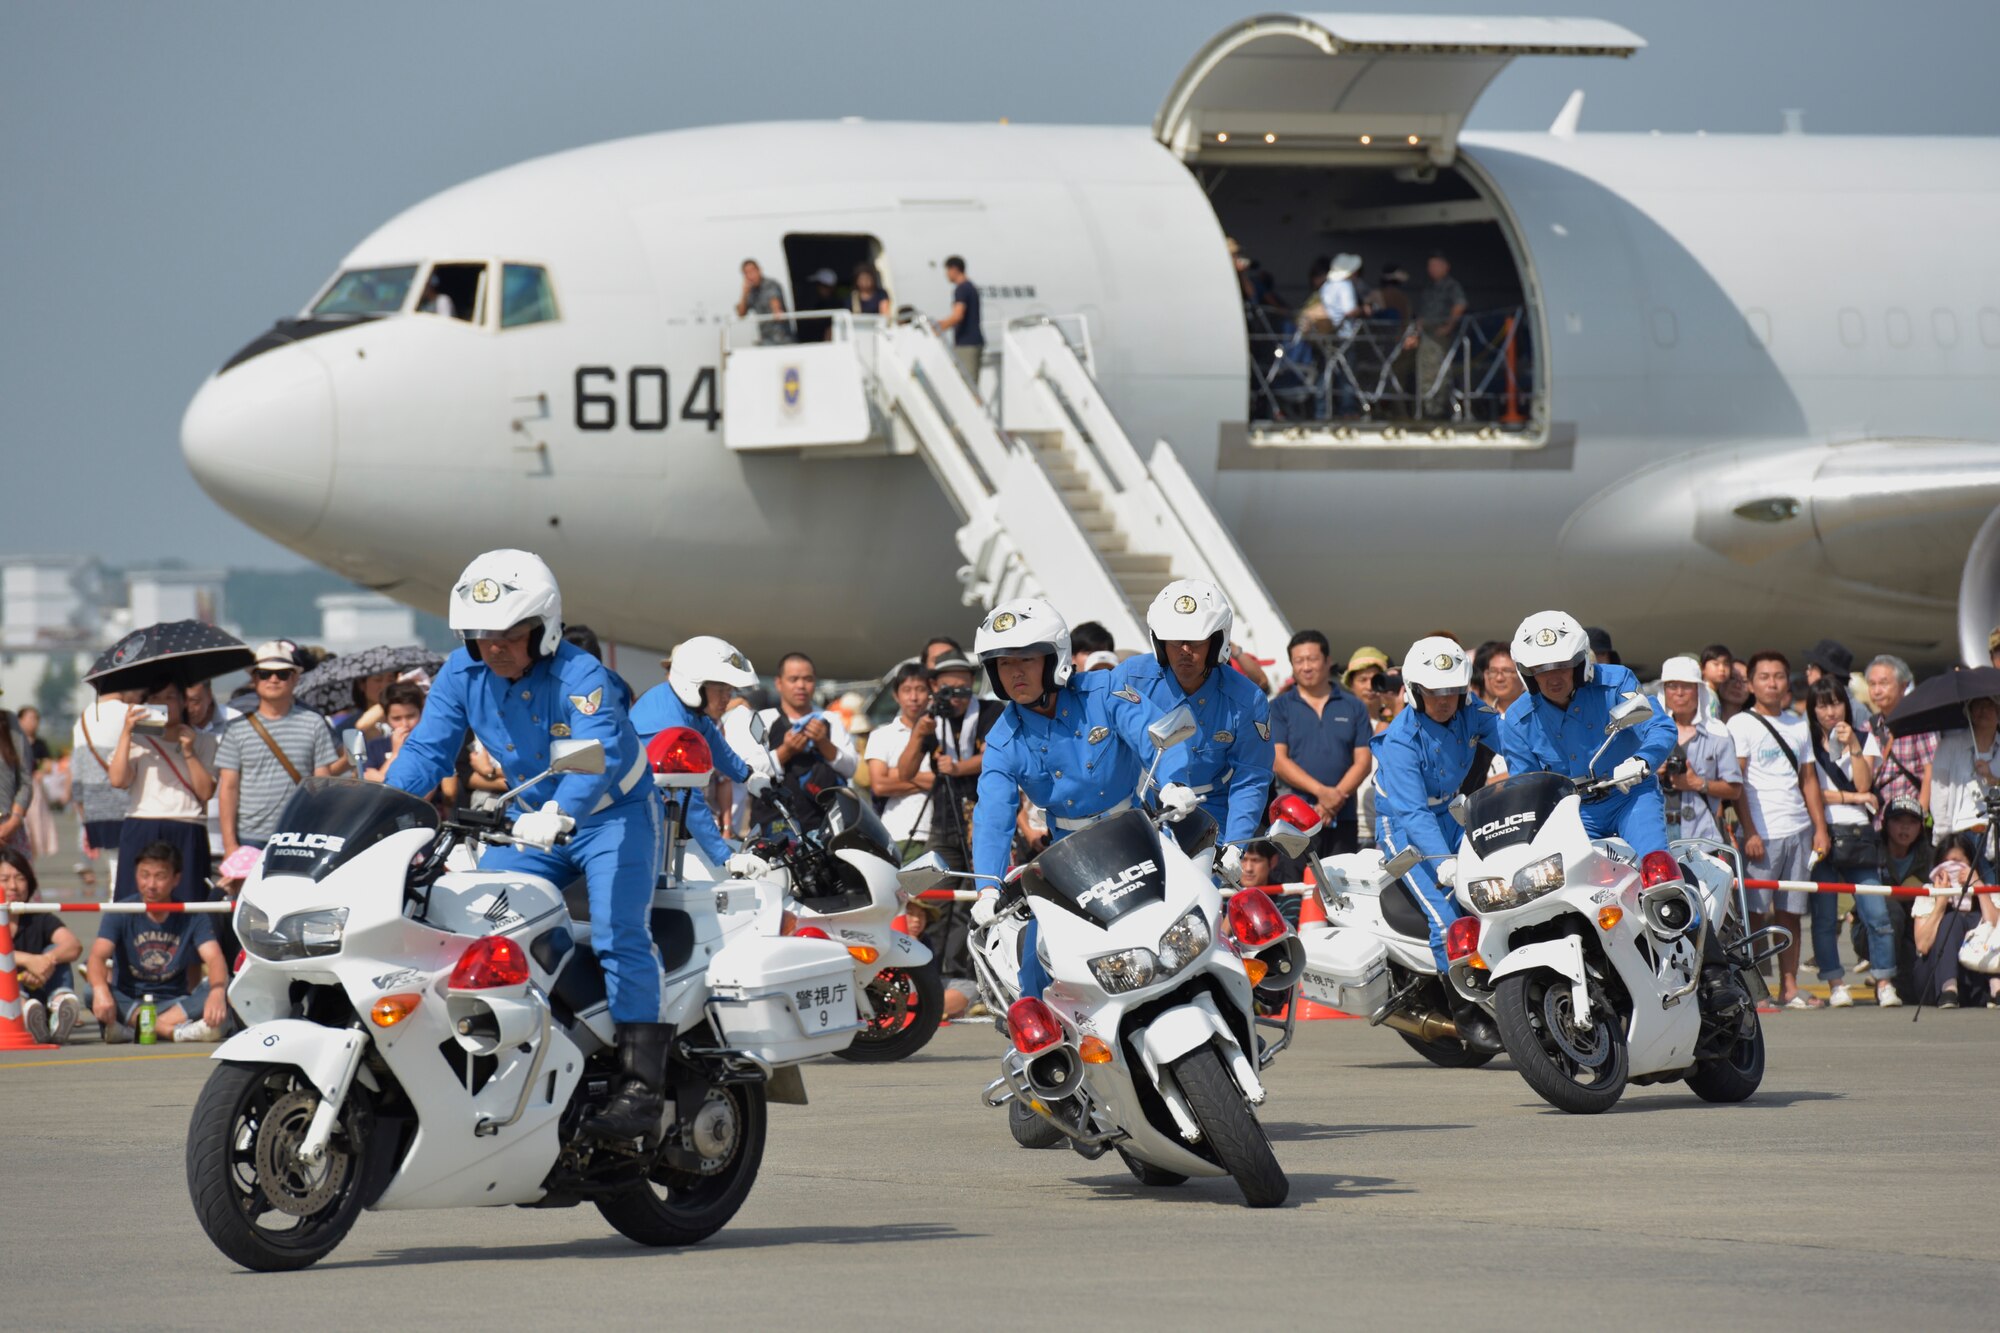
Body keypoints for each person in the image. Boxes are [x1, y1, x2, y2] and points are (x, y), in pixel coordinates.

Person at [384, 549, 668, 1141]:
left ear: (543, 629)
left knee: (619, 929)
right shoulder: (461, 675)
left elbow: (600, 756)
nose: (493, 647)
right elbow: (427, 751)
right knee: (476, 921)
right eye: (481, 634)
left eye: (508, 634)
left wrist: (562, 810)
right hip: (531, 819)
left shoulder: (581, 676)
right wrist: (382, 804)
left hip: (612, 815)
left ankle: (643, 1085)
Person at [968, 598, 1146, 999]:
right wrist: (987, 889)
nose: (1014, 673)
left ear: (1054, 658)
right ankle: (1043, 1053)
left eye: (1025, 660)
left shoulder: (1104, 689)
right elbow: (993, 815)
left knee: (1198, 911)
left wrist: (1170, 783)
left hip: (1136, 833)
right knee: (1036, 963)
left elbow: (1149, 733)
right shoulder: (1002, 739)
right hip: (1068, 854)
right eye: (1002, 663)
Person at [1370, 637, 1504, 1021]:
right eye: (1434, 692)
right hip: (1404, 829)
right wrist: (1443, 862)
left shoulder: (1472, 711)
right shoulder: (1400, 740)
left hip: (1456, 813)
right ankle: (1464, 1012)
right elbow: (1412, 813)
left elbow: (1514, 743)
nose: (1445, 700)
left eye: (1453, 690)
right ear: (1414, 691)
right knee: (1444, 915)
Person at [1108, 581, 1273, 848]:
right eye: (1174, 639)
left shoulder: (1247, 699)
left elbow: (1251, 778)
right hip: (1140, 808)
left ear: (1216, 641)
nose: (1184, 650)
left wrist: (1236, 845)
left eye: (1195, 640)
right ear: (1159, 642)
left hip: (1210, 815)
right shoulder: (1129, 679)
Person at [1501, 611, 1677, 859]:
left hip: (1631, 796)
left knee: (1656, 867)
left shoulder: (1617, 681)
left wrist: (1642, 760)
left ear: (1580, 663)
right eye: (1541, 669)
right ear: (1527, 673)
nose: (1553, 677)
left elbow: (1660, 727)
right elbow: (1525, 786)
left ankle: (1675, 894)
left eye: (1563, 665)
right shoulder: (1517, 719)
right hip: (1572, 814)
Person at [1725, 650, 1832, 1009]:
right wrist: (1749, 831)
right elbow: (1736, 782)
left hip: (1799, 828)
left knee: (1791, 912)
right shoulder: (1740, 724)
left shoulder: (1798, 723)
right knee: (1754, 913)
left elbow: (1809, 780)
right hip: (1761, 833)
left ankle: (1790, 987)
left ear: (1788, 681)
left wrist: (1820, 828)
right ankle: (1757, 990)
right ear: (1752, 683)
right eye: (1765, 677)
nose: (1772, 683)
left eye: (1779, 676)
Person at [631, 636, 763, 866]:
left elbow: (715, 743)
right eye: (721, 689)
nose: (727, 698)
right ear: (694, 685)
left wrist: (748, 775)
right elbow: (687, 797)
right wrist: (726, 858)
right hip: (635, 825)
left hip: (654, 819)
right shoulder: (670, 723)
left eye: (730, 689)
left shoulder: (688, 709)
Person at [86, 841, 230, 1042]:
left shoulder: (192, 914)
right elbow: (97, 957)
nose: (151, 885)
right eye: (144, 875)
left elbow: (214, 958)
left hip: (175, 1003)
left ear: (176, 879)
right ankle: (175, 1033)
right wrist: (101, 990)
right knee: (90, 990)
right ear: (136, 874)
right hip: (131, 1000)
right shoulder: (121, 910)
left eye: (160, 876)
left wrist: (216, 993)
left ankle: (135, 1030)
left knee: (224, 985)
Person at [216, 643, 338, 863]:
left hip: (299, 833)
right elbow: (228, 787)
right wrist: (230, 844)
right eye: (265, 674)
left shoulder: (314, 723)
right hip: (249, 837)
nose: (273, 679)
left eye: (282, 674)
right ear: (254, 680)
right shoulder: (236, 728)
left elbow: (322, 782)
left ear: (295, 679)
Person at [107, 680, 216, 903]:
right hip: (142, 822)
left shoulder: (204, 740)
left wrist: (189, 752)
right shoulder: (137, 739)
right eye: (155, 699)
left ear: (184, 702)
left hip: (187, 824)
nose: (163, 704)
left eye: (169, 698)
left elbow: (206, 792)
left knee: (190, 902)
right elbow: (118, 779)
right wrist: (126, 733)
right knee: (134, 901)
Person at [1804, 678, 1877, 1008]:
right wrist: (1853, 796)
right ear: (1812, 708)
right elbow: (1809, 790)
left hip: (1858, 834)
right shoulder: (1804, 740)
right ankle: (1835, 982)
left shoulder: (1862, 737)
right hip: (1822, 832)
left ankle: (1885, 980)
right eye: (1822, 705)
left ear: (1846, 705)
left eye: (1836, 703)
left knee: (1876, 911)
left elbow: (1867, 782)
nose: (1830, 711)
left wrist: (1854, 748)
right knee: (1824, 915)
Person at [1269, 631, 1373, 854]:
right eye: (1299, 661)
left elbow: (1363, 762)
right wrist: (1322, 793)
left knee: (1341, 886)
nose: (1306, 667)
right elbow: (1278, 760)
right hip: (1293, 819)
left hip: (1343, 815)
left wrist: (1332, 800)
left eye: (1312, 659)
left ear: (1328, 661)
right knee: (1298, 888)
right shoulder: (1279, 707)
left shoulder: (1353, 706)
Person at [894, 654, 996, 872]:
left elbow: (995, 755)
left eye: (963, 689)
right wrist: (919, 735)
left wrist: (958, 768)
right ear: (933, 686)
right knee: (932, 895)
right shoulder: (930, 718)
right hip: (943, 822)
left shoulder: (990, 711)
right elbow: (905, 773)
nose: (956, 697)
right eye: (947, 689)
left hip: (985, 817)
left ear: (972, 683)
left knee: (985, 891)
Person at [748, 653, 858, 834]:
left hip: (823, 827)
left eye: (808, 679)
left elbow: (850, 768)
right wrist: (785, 751)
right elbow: (748, 770)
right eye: (793, 679)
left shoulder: (830, 719)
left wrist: (823, 743)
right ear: (779, 683)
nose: (801, 685)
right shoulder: (764, 719)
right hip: (773, 827)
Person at [1657, 655, 1743, 847]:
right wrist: (1652, 772)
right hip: (1656, 832)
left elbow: (1735, 789)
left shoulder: (1718, 732)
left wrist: (1698, 784)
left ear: (1699, 690)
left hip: (1701, 834)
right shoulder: (1651, 733)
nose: (1679, 693)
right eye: (1672, 686)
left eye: (1687, 686)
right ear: (1663, 691)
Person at [3, 846, 84, 1045]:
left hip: (39, 990)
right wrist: (30, 961)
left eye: (20, 878)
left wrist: (47, 961)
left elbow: (73, 945)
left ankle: (60, 1004)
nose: (13, 886)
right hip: (8, 998)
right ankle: (25, 1011)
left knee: (55, 951)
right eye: (4, 879)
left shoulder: (38, 917)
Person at [1923, 690, 2000, 881]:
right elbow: (1939, 793)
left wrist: (1993, 777)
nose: (1984, 710)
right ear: (1969, 711)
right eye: (1977, 705)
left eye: (1990, 705)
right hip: (1963, 836)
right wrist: (1943, 840)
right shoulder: (1949, 746)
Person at [866, 664, 935, 859]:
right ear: (896, 696)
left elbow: (945, 778)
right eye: (907, 690)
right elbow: (879, 785)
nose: (914, 697)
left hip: (939, 833)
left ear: (930, 694)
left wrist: (897, 775)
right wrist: (929, 780)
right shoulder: (881, 736)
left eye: (921, 690)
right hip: (899, 832)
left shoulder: (942, 732)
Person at [71, 684, 133, 888]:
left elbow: (77, 772)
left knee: (114, 864)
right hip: (130, 800)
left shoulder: (83, 718)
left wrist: (82, 810)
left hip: (95, 804)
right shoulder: (132, 713)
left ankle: (115, 908)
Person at [1403, 251, 1467, 418]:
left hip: (1438, 335)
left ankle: (1436, 410)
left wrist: (1448, 326)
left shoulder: (1451, 286)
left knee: (1437, 371)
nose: (1431, 269)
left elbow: (1459, 305)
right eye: (1430, 266)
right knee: (1423, 371)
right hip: (1425, 334)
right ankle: (1426, 408)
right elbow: (1423, 314)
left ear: (1445, 267)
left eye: (1435, 265)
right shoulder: (1430, 287)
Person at [936, 255, 984, 393]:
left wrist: (939, 328)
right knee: (970, 383)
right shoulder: (970, 287)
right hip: (973, 341)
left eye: (947, 271)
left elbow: (958, 315)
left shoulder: (961, 289)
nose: (946, 275)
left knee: (968, 386)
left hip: (967, 343)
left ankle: (976, 413)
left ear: (954, 269)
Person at [363, 682, 428, 782]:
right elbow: (372, 787)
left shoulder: (429, 746)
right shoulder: (374, 747)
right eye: (397, 718)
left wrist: (382, 779)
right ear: (386, 719)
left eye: (411, 716)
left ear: (421, 713)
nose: (405, 724)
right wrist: (395, 754)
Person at [0, 704, 31, 855]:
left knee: (13, 878)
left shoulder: (9, 723)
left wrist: (15, 820)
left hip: (9, 828)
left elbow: (25, 781)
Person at [736, 258, 790, 343]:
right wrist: (744, 294)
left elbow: (774, 299)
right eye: (747, 273)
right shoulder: (751, 292)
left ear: (759, 270)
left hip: (783, 337)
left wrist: (776, 310)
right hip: (766, 339)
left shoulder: (770, 284)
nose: (751, 275)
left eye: (752, 271)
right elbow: (741, 314)